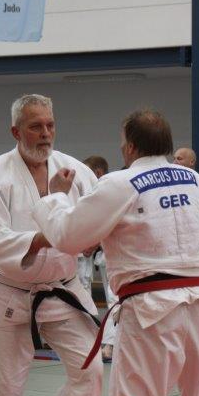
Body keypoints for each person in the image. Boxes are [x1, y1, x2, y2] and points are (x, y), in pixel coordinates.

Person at [32, 109, 199, 396]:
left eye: (123, 141)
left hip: (152, 309)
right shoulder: (193, 179)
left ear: (132, 146)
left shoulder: (120, 182)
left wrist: (54, 197)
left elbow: (67, 236)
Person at [0, 94, 103, 396]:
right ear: (16, 132)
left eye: (50, 125)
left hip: (63, 287)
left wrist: (94, 239)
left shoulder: (76, 170)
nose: (46, 133)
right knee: (1, 390)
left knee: (91, 369)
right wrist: (48, 238)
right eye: (35, 127)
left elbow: (98, 216)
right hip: (9, 292)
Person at [82, 155, 116, 361]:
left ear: (98, 172)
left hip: (115, 253)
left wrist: (94, 243)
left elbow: (111, 223)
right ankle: (94, 341)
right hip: (100, 255)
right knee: (86, 295)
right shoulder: (92, 193)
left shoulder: (111, 191)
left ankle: (111, 344)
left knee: (114, 298)